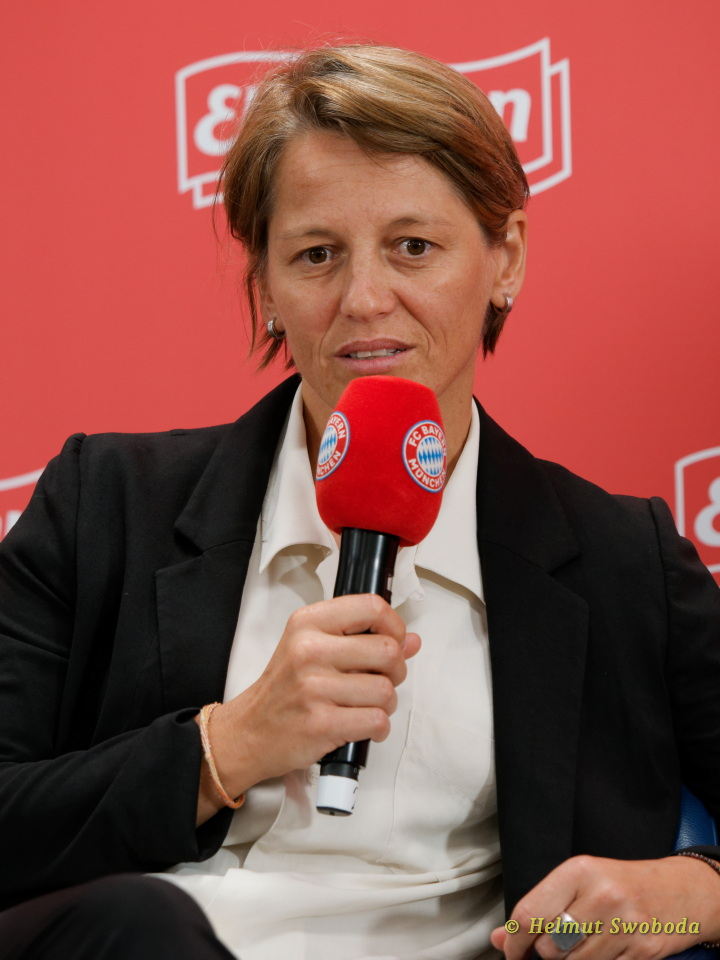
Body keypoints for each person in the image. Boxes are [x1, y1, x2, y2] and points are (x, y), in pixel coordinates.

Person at [0, 42, 719, 960]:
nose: (365, 300)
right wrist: (224, 748)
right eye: (317, 254)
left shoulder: (626, 560)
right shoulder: (106, 502)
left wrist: (694, 893)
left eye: (414, 247)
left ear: (505, 258)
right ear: (266, 284)